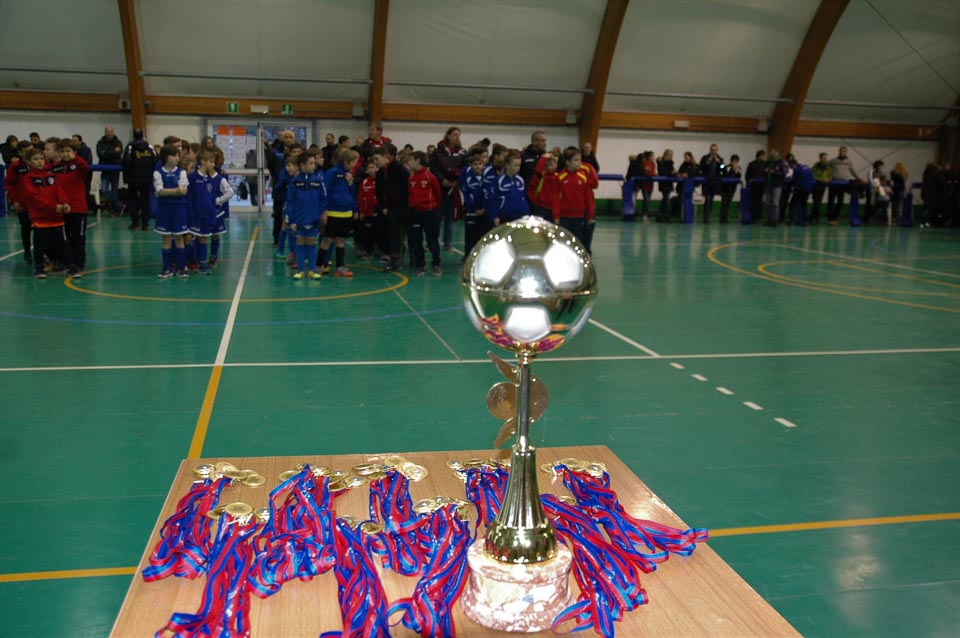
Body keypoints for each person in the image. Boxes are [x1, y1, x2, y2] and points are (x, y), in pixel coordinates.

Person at [20, 148, 72, 278]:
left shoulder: (51, 176)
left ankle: (67, 265)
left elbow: (59, 191)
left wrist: (65, 203)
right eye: (36, 159)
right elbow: (34, 198)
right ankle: (39, 268)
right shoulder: (28, 178)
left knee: (61, 244)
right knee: (40, 245)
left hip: (56, 219)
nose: (40, 162)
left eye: (41, 159)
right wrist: (53, 207)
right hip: (40, 219)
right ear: (29, 162)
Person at [188, 151, 234, 274]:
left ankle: (203, 264)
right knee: (193, 238)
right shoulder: (193, 177)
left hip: (207, 215)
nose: (213, 165)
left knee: (204, 238)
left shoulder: (209, 179)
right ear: (203, 162)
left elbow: (211, 198)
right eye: (211, 162)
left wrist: (213, 213)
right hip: (196, 215)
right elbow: (190, 196)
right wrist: (191, 213)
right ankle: (192, 262)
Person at [318, 148, 360, 277]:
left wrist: (351, 183)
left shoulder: (349, 174)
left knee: (341, 239)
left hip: (346, 213)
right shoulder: (332, 173)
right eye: (353, 162)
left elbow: (353, 194)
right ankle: (319, 265)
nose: (354, 165)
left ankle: (340, 266)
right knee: (328, 239)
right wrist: (324, 211)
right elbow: (324, 192)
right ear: (346, 161)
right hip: (333, 212)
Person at [286, 152, 327, 279]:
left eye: (314, 163)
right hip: (299, 219)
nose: (314, 165)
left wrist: (319, 213)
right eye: (311, 163)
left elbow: (323, 199)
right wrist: (292, 220)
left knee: (311, 243)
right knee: (300, 243)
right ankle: (301, 269)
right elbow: (290, 202)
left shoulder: (318, 181)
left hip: (313, 219)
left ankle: (312, 269)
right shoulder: (295, 182)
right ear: (302, 165)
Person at [153, 144, 190, 279]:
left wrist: (166, 192)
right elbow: (159, 191)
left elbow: (184, 191)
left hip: (178, 209)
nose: (177, 158)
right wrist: (176, 191)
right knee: (166, 239)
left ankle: (181, 267)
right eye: (174, 155)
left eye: (178, 155)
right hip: (164, 210)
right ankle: (167, 268)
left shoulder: (181, 172)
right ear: (166, 157)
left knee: (179, 238)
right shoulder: (158, 173)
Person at [373, 145, 410, 273]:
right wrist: (383, 206)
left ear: (385, 157)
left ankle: (414, 260)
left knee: (406, 234)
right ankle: (395, 260)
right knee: (394, 234)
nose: (375, 162)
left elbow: (408, 186)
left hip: (405, 207)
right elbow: (378, 192)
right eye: (374, 160)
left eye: (377, 159)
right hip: (391, 209)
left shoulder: (399, 169)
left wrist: (408, 203)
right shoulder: (380, 173)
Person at [430, 126, 467, 252]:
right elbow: (433, 168)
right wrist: (442, 180)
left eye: (459, 135)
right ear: (448, 136)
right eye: (455, 134)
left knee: (451, 218)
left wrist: (457, 180)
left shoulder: (462, 152)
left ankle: (448, 243)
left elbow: (465, 167)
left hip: (454, 190)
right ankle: (433, 242)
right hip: (440, 189)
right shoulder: (438, 152)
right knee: (437, 218)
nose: (457, 137)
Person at [56, 139, 90, 275]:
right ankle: (68, 263)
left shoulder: (79, 166)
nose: (65, 154)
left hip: (78, 209)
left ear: (74, 152)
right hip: (62, 209)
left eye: (68, 151)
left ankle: (79, 264)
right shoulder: (56, 168)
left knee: (79, 239)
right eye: (62, 151)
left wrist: (75, 159)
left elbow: (84, 167)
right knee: (64, 239)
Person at [407, 151, 443, 277]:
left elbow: (438, 194)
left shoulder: (429, 176)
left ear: (418, 161)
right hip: (415, 212)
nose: (409, 162)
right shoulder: (411, 178)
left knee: (432, 239)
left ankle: (436, 264)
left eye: (411, 160)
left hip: (429, 212)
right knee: (416, 240)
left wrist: (433, 207)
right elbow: (410, 194)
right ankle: (420, 265)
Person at [556, 147, 597, 247]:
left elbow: (588, 199)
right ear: (567, 162)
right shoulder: (560, 178)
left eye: (580, 160)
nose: (579, 163)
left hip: (579, 217)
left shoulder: (583, 178)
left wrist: (590, 216)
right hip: (564, 217)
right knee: (564, 242)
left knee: (579, 242)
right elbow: (556, 199)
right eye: (576, 160)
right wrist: (556, 216)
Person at [121, 129, 157, 230]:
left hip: (133, 179)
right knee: (145, 201)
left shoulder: (130, 147)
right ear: (143, 135)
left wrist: (127, 176)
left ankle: (135, 222)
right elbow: (155, 161)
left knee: (133, 201)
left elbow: (126, 162)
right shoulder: (150, 147)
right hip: (147, 179)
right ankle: (145, 224)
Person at [5, 140, 34, 262]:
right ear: (20, 152)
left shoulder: (38, 163)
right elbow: (9, 184)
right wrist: (15, 200)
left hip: (38, 204)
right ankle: (27, 251)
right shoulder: (15, 166)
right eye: (27, 151)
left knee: (41, 231)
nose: (30, 153)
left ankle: (42, 253)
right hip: (23, 204)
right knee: (26, 228)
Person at [460, 147, 490, 259]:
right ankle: (468, 257)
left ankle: (482, 257)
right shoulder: (468, 179)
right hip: (471, 212)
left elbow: (489, 196)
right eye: (475, 164)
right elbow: (466, 195)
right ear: (471, 165)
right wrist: (472, 209)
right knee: (470, 237)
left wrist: (484, 209)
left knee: (482, 235)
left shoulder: (487, 178)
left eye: (480, 164)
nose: (478, 166)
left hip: (484, 213)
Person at [486, 149, 529, 226]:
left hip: (520, 216)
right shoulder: (498, 181)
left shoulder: (520, 180)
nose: (518, 168)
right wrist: (495, 216)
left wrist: (526, 214)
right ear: (507, 165)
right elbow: (493, 200)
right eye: (515, 165)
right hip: (505, 217)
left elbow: (523, 198)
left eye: (519, 165)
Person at [827, 146, 859, 225]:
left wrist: (859, 179)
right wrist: (827, 177)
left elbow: (853, 171)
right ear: (839, 152)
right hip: (833, 184)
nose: (842, 153)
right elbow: (826, 168)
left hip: (843, 185)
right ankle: (830, 218)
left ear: (846, 152)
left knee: (840, 202)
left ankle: (834, 217)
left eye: (844, 151)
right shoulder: (833, 161)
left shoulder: (849, 162)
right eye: (841, 151)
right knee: (831, 202)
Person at [356, 161, 380, 260]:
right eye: (369, 167)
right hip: (368, 212)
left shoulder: (381, 181)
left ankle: (381, 251)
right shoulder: (365, 182)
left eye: (372, 167)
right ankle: (368, 252)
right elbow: (361, 198)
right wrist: (362, 211)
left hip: (379, 212)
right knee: (368, 233)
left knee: (380, 231)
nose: (370, 170)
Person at [96, 126, 123, 214]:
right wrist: (113, 152)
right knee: (104, 190)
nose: (109, 133)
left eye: (111, 131)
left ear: (113, 132)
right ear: (105, 132)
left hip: (115, 169)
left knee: (115, 191)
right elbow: (100, 154)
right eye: (108, 131)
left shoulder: (118, 142)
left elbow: (118, 154)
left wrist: (106, 152)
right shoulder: (100, 142)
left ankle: (116, 209)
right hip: (105, 169)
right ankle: (119, 205)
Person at [528, 153, 559, 221]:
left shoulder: (558, 177)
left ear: (556, 165)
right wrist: (535, 200)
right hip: (540, 207)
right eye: (546, 166)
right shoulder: (540, 176)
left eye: (551, 165)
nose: (549, 167)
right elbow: (531, 189)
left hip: (553, 208)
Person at [699, 144, 723, 224]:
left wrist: (719, 163)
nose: (714, 151)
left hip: (715, 182)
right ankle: (706, 218)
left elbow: (723, 168)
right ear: (710, 150)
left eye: (715, 150)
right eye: (712, 150)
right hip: (707, 181)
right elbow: (701, 167)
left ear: (717, 150)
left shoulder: (720, 158)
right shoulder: (705, 158)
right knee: (708, 199)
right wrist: (708, 161)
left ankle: (708, 216)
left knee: (711, 199)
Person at [763, 150, 788, 226]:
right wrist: (765, 171)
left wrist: (774, 172)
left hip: (777, 185)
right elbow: (763, 170)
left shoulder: (781, 163)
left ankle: (775, 220)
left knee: (775, 203)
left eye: (773, 155)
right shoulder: (768, 162)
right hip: (768, 185)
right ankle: (769, 219)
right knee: (767, 202)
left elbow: (783, 173)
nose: (772, 157)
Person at [744, 150, 766, 224]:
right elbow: (747, 175)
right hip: (753, 187)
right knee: (753, 202)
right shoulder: (752, 164)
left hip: (761, 186)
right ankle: (752, 217)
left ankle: (758, 217)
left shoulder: (765, 165)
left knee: (759, 202)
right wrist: (749, 182)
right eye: (763, 155)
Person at [920, 162, 945, 228]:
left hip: (925, 193)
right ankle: (925, 221)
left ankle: (925, 222)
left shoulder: (925, 172)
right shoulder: (936, 172)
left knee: (926, 208)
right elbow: (942, 180)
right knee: (930, 208)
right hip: (932, 194)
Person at [719, 154, 741, 224]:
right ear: (731, 161)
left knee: (728, 203)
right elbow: (722, 168)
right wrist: (723, 164)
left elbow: (738, 177)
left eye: (736, 161)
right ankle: (722, 218)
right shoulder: (727, 166)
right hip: (725, 188)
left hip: (732, 188)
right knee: (724, 203)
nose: (735, 162)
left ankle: (725, 218)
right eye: (734, 161)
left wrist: (736, 171)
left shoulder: (738, 168)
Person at [810, 153, 831, 225]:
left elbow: (830, 175)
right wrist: (820, 179)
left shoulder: (828, 167)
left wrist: (828, 179)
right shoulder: (816, 166)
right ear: (820, 158)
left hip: (823, 186)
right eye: (823, 158)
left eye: (825, 158)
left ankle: (814, 217)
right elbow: (813, 175)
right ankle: (814, 217)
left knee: (819, 202)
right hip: (816, 186)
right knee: (816, 202)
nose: (825, 159)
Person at [656, 149, 675, 222]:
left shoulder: (670, 163)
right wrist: (671, 173)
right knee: (666, 199)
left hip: (669, 183)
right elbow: (662, 172)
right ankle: (665, 214)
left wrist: (673, 173)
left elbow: (672, 171)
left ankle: (661, 214)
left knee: (665, 199)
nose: (670, 156)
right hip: (664, 183)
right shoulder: (661, 162)